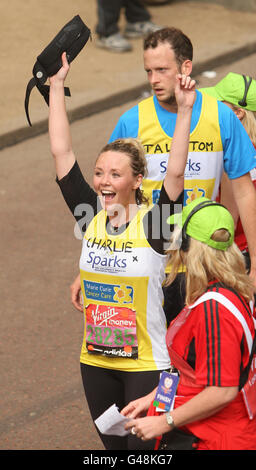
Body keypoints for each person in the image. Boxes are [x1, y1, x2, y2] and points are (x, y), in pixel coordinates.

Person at [48, 51, 196, 450]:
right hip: (95, 363)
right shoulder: (89, 215)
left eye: (115, 174)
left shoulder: (155, 225)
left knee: (146, 453)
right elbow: (62, 154)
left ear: (136, 180)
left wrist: (184, 112)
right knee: (115, 452)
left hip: (148, 367)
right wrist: (57, 86)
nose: (103, 182)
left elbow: (177, 173)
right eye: (99, 173)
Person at [108, 27, 256, 323]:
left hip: (204, 263)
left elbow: (244, 191)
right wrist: (98, 262)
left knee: (202, 357)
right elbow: (112, 195)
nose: (153, 79)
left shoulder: (221, 116)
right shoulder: (131, 121)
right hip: (147, 263)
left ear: (186, 67)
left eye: (162, 69)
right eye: (149, 70)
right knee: (151, 360)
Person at [122, 197, 256, 450]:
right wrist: (153, 398)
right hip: (209, 430)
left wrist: (165, 422)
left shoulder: (214, 310)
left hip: (217, 439)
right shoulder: (225, 290)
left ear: (190, 246)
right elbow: (189, 368)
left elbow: (222, 390)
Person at [200, 72, 256, 272]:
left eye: (218, 103)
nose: (211, 109)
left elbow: (227, 224)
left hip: (235, 256)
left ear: (238, 113)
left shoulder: (232, 154)